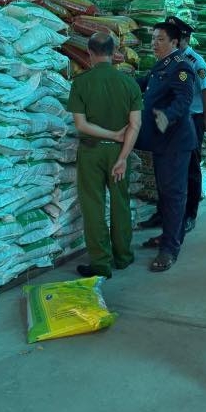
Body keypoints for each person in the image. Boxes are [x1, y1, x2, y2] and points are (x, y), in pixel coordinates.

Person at [67, 32, 143, 279]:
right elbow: (135, 125)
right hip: (119, 153)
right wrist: (122, 158)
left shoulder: (81, 83)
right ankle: (123, 256)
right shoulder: (129, 84)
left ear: (89, 53)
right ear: (114, 53)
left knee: (94, 206)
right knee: (120, 203)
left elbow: (81, 124)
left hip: (91, 152)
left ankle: (101, 263)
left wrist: (110, 134)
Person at [135, 21, 196, 272]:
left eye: (160, 39)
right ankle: (168, 236)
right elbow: (143, 84)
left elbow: (184, 99)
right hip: (161, 142)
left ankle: (170, 249)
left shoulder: (181, 66)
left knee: (173, 196)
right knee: (166, 194)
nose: (154, 43)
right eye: (153, 39)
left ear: (174, 42)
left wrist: (167, 116)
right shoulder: (161, 65)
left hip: (175, 142)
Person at [165, 15, 206, 234]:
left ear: (184, 39)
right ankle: (165, 212)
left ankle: (190, 214)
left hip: (193, 118)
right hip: (174, 118)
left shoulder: (196, 62)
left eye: (174, 37)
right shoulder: (170, 59)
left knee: (191, 167)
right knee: (170, 166)